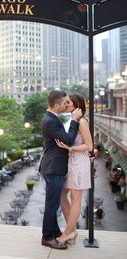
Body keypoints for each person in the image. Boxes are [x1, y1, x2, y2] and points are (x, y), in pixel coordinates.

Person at [40, 90, 82, 250]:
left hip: (54, 166)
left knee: (54, 202)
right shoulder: (50, 121)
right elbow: (69, 140)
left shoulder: (52, 118)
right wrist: (74, 120)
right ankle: (47, 237)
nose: (66, 104)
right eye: (64, 102)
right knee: (51, 205)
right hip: (53, 167)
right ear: (56, 105)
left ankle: (55, 231)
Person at [55, 93, 93, 245]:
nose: (65, 104)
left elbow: (89, 146)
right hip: (71, 163)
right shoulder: (73, 119)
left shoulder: (82, 121)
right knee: (62, 194)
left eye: (68, 102)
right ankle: (71, 229)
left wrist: (70, 148)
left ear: (76, 104)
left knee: (75, 198)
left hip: (79, 162)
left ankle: (68, 232)